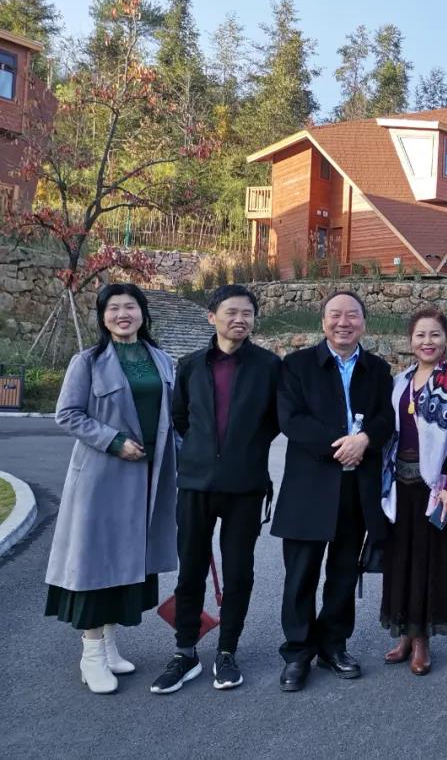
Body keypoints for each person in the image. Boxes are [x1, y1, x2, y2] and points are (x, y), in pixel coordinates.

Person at [45, 283, 177, 694]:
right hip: (101, 480)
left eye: (130, 306)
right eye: (114, 308)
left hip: (149, 478)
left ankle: (109, 645)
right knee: (96, 562)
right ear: (102, 317)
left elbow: (173, 415)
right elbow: (67, 414)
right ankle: (91, 654)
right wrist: (114, 440)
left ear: (143, 312)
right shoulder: (87, 361)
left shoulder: (162, 359)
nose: (123, 314)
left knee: (126, 563)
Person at [150, 284, 281, 694]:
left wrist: (244, 449)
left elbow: (275, 421)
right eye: (231, 312)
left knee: (239, 571)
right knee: (190, 568)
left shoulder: (268, 366)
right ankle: (184, 651)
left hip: (245, 485)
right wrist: (206, 452)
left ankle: (227, 651)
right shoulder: (190, 365)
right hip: (196, 483)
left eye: (247, 313)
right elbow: (181, 418)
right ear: (212, 317)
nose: (239, 319)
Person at [271, 290, 394, 692]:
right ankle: (297, 652)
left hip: (355, 488)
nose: (344, 323)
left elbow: (385, 418)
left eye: (352, 315)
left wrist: (365, 440)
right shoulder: (297, 365)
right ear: (322, 321)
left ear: (364, 322)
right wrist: (343, 444)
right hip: (309, 486)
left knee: (343, 574)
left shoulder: (377, 369)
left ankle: (333, 645)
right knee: (300, 576)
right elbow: (291, 420)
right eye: (335, 315)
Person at [380, 307, 447, 676]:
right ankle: (404, 633)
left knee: (429, 561)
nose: (427, 341)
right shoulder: (400, 381)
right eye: (420, 335)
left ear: (446, 339)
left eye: (435, 334)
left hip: (435, 487)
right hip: (399, 484)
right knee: (400, 559)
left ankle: (422, 640)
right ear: (411, 340)